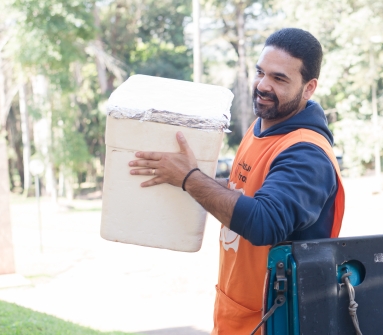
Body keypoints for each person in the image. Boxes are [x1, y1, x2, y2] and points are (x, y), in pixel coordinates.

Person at [128, 28, 345, 335]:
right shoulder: (263, 126)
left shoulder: (307, 153)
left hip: (279, 323)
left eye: (279, 78)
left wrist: (190, 179)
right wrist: (184, 175)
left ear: (309, 88)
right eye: (260, 72)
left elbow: (264, 222)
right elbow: (242, 193)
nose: (263, 85)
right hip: (241, 314)